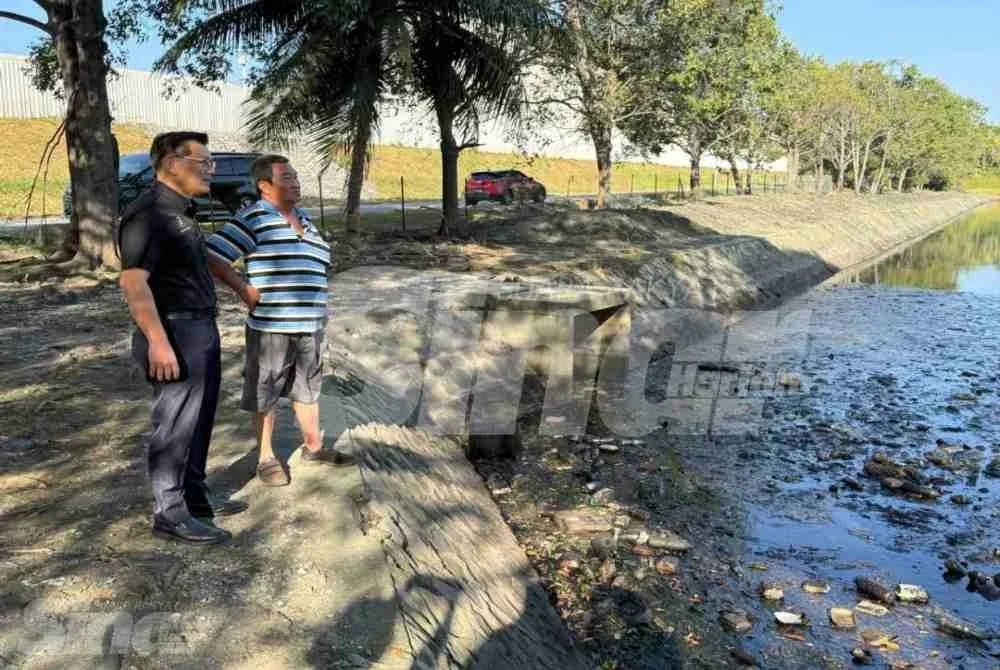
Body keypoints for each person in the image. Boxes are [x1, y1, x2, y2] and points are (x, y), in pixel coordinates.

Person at [118, 131, 246, 545]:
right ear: (172, 163)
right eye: (203, 162)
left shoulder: (182, 212)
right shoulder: (149, 213)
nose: (211, 170)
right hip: (174, 330)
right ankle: (169, 512)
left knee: (200, 418)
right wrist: (157, 341)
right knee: (175, 423)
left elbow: (197, 259)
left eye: (211, 163)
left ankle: (194, 496)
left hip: (200, 327)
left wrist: (240, 287)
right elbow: (133, 282)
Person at [206, 154, 352, 487]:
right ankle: (266, 458)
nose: (296, 182)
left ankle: (313, 447)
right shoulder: (254, 217)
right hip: (272, 325)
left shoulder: (305, 219)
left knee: (308, 387)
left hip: (310, 324)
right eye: (286, 177)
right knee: (265, 390)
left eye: (296, 176)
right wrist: (243, 289)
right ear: (264, 185)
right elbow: (213, 255)